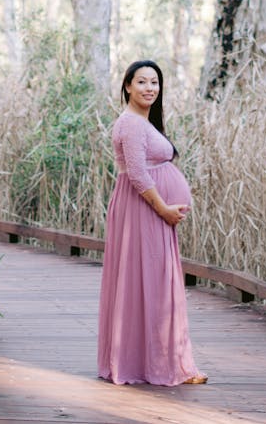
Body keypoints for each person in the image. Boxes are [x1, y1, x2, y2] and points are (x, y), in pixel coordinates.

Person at [97, 59, 207, 386]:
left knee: (153, 286)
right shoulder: (131, 123)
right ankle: (160, 365)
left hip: (148, 213)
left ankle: (164, 362)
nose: (149, 88)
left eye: (154, 82)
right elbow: (138, 174)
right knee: (152, 286)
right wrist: (163, 209)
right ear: (127, 86)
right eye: (142, 82)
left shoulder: (144, 122)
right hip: (143, 211)